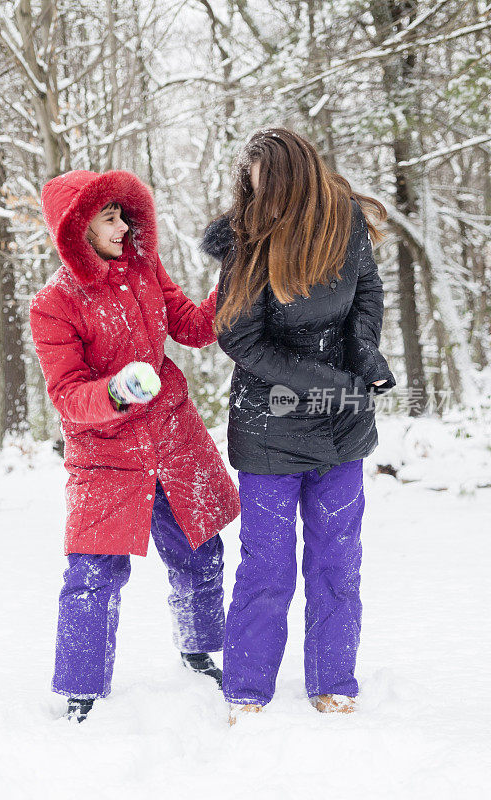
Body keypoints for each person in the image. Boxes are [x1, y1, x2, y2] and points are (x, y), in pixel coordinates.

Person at [30, 169, 241, 722]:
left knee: (201, 550)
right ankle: (82, 689)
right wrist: (116, 393)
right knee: (92, 575)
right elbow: (69, 395)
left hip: (172, 435)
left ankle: (201, 653)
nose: (123, 226)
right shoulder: (54, 303)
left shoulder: (145, 270)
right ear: (78, 229)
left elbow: (195, 327)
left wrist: (232, 270)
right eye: (109, 217)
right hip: (106, 454)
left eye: (125, 214)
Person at [200, 128, 396, 725]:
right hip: (270, 424)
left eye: (272, 190)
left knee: (338, 559)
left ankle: (334, 680)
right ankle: (247, 688)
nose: (263, 203)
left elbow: (367, 293)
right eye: (253, 190)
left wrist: (364, 357)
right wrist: (321, 384)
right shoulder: (247, 241)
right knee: (268, 565)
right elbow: (238, 335)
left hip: (343, 428)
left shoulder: (345, 224)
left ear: (299, 183)